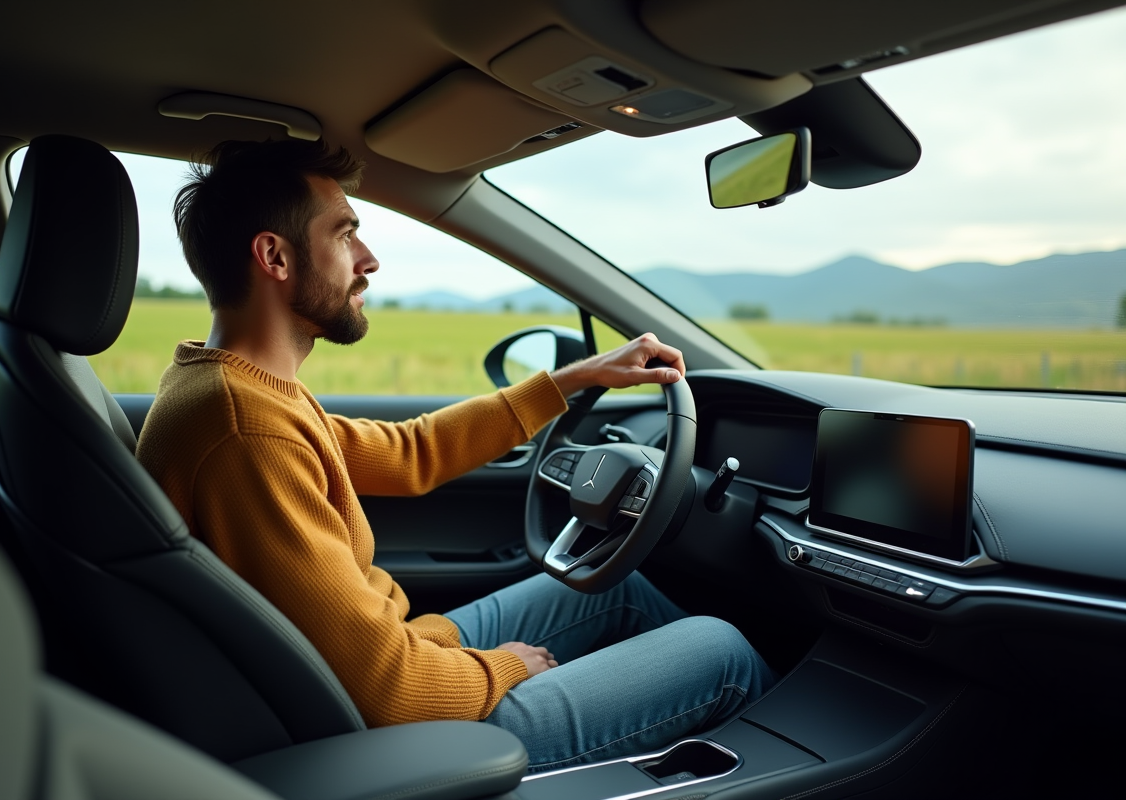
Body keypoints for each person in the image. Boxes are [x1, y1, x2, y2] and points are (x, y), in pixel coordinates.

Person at [136, 139, 775, 772]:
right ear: (274, 256)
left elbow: (410, 453)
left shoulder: (229, 388)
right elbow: (388, 692)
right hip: (384, 735)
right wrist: (503, 667)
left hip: (387, 663)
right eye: (345, 233)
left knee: (620, 589)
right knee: (719, 651)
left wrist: (575, 378)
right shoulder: (246, 432)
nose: (369, 259)